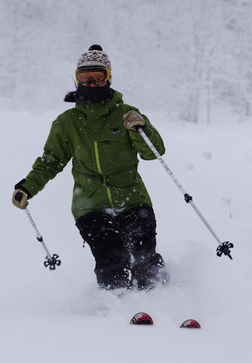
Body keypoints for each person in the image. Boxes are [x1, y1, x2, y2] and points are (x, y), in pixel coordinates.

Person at [11, 45, 167, 290]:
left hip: (133, 200)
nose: (91, 84)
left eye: (98, 77)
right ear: (76, 79)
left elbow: (153, 152)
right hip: (90, 206)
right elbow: (50, 161)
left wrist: (141, 128)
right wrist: (27, 188)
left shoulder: (127, 114)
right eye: (84, 78)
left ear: (108, 78)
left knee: (144, 257)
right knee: (111, 257)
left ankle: (162, 301)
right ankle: (118, 305)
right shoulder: (67, 123)